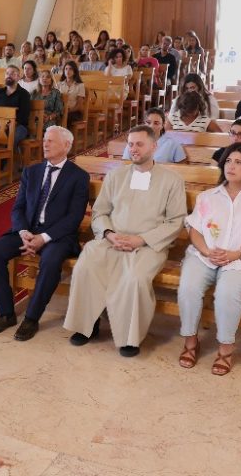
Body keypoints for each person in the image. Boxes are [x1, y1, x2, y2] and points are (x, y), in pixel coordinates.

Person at [64, 126, 188, 356]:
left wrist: (140, 240)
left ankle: (130, 337)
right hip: (112, 239)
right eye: (130, 144)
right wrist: (110, 234)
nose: (134, 149)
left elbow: (175, 222)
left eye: (139, 144)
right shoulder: (115, 175)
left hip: (148, 245)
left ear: (154, 146)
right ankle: (87, 326)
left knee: (135, 278)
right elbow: (100, 213)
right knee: (86, 266)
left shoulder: (172, 180)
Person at [178, 143, 241, 375]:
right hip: (206, 255)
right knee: (188, 287)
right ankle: (190, 343)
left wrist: (236, 254)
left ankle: (225, 349)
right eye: (227, 161)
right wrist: (205, 250)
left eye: (238, 162)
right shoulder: (208, 196)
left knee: (226, 292)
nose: (231, 166)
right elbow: (194, 229)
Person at [0, 126, 88, 340]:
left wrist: (43, 238)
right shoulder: (32, 172)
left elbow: (73, 218)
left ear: (66, 145)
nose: (45, 144)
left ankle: (31, 318)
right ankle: (6, 314)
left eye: (51, 141)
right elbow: (18, 208)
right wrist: (23, 232)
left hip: (58, 236)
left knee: (50, 261)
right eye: (44, 140)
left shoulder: (79, 177)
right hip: (28, 231)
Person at [0, 66, 32, 143]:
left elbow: (23, 116)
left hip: (18, 126)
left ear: (18, 77)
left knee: (12, 137)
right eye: (7, 73)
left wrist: (7, 126)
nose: (9, 75)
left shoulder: (24, 94)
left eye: (13, 73)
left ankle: (9, 155)